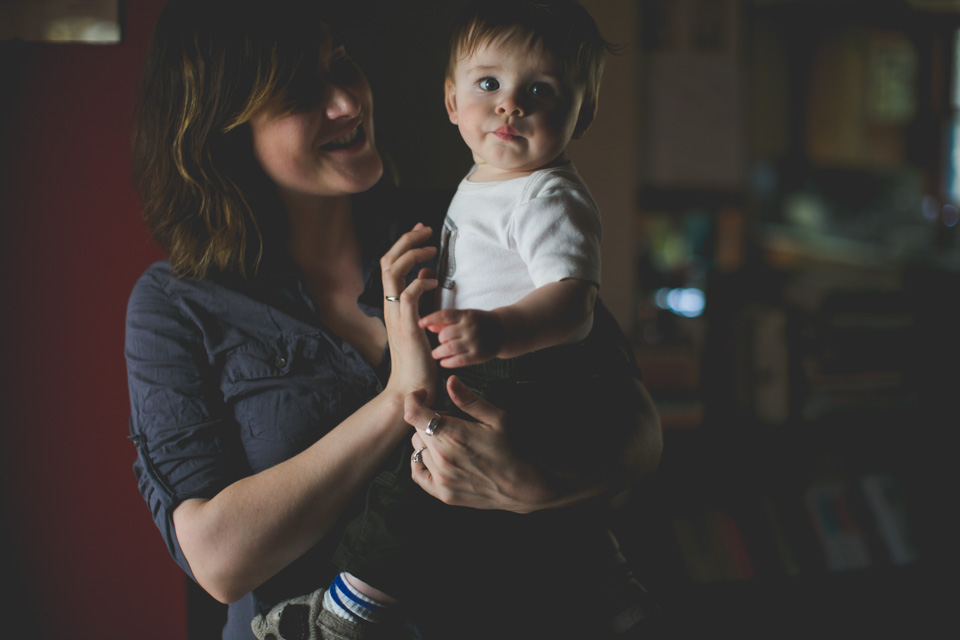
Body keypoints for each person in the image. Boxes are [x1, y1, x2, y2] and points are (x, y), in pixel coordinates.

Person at [125, 1, 661, 639]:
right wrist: (401, 397)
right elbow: (218, 560)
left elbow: (640, 427)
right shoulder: (176, 307)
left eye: (341, 65)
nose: (348, 103)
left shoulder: (472, 219)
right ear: (225, 126)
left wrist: (544, 483)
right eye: (300, 90)